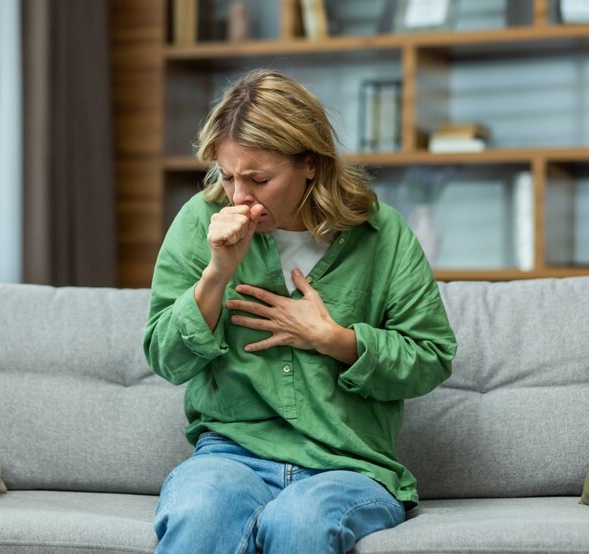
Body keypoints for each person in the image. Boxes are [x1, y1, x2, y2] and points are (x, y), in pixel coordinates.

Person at [142, 69, 457, 553]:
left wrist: (335, 340)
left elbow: (431, 357)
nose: (240, 196)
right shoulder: (198, 222)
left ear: (310, 163)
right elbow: (167, 358)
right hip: (231, 454)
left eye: (260, 178)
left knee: (299, 522)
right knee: (198, 513)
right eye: (228, 176)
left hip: (348, 465)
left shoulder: (383, 235)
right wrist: (217, 273)